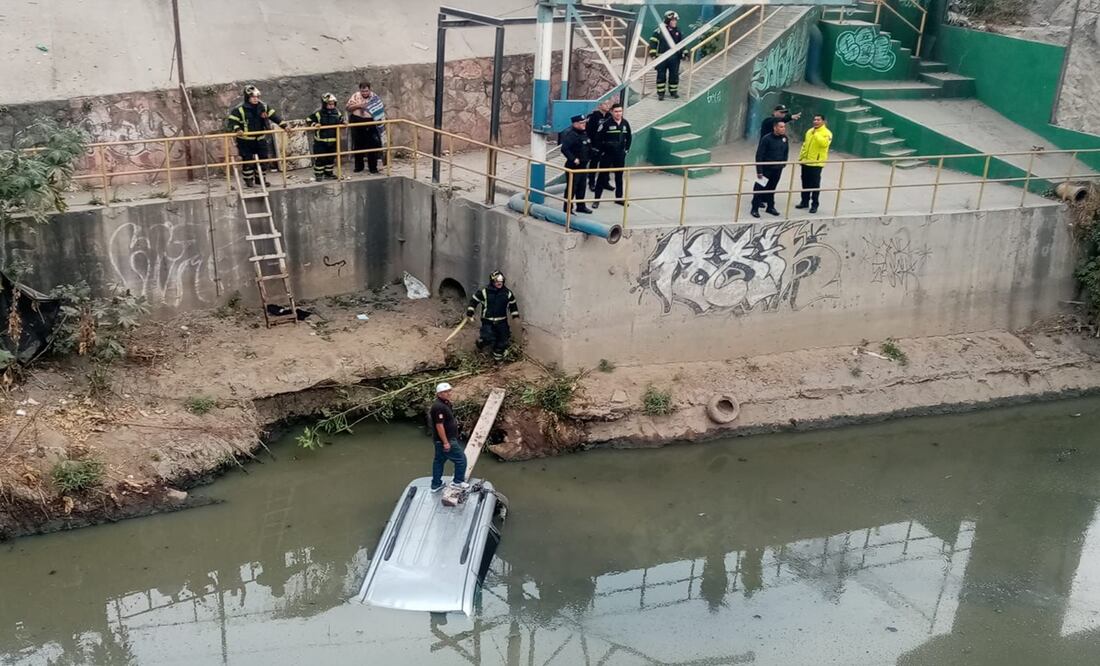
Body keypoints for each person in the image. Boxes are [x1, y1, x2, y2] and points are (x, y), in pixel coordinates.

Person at [226, 85, 287, 187]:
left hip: (260, 139)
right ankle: (248, 180)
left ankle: (260, 179)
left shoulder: (263, 106)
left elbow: (274, 116)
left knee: (263, 160)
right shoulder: (239, 109)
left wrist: (284, 126)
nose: (256, 99)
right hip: (245, 141)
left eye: (257, 97)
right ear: (247, 97)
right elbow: (232, 122)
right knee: (248, 161)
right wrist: (237, 129)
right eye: (253, 97)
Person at [466, 270, 520, 363]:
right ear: (492, 281)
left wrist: (515, 317)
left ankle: (497, 360)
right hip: (488, 321)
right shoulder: (484, 292)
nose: (499, 283)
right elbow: (474, 300)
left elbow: (513, 305)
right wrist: (470, 312)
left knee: (503, 340)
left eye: (501, 281)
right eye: (497, 282)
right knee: (488, 337)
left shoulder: (507, 293)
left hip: (502, 322)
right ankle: (481, 343)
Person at [429, 382, 467, 492]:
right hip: (446, 440)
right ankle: (457, 482)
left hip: (441, 440)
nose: (448, 393)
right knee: (461, 460)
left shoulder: (446, 403)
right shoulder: (438, 407)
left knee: (439, 461)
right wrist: (446, 442)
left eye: (449, 391)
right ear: (439, 394)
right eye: (445, 392)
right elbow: (439, 425)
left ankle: (436, 484)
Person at [593, 103, 632, 208]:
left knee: (619, 177)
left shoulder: (625, 123)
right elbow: (598, 138)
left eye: (620, 111)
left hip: (619, 155)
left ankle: (619, 198)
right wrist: (601, 151)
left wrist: (626, 150)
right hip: (607, 155)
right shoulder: (606, 124)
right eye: (616, 111)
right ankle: (596, 200)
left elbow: (629, 137)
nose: (618, 113)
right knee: (602, 177)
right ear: (611, 112)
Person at [751, 120, 789, 218]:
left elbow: (786, 152)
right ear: (775, 128)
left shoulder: (784, 138)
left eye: (784, 127)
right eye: (781, 127)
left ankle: (770, 207)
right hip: (766, 169)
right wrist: (759, 171)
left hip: (777, 169)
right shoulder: (766, 139)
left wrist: (783, 163)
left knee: (772, 188)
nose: (783, 129)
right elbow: (759, 155)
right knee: (759, 188)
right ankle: (754, 208)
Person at [796, 114, 833, 214]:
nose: (815, 121)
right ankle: (804, 201)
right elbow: (805, 145)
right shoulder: (809, 131)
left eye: (818, 120)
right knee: (805, 183)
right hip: (806, 161)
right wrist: (801, 157)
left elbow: (824, 144)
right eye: (814, 119)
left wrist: (816, 134)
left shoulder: (827, 133)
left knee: (815, 185)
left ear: (824, 121)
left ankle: (814, 205)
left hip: (816, 163)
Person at [346, 81, 385, 174]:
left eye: (366, 91)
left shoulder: (374, 97)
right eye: (363, 91)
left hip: (370, 122)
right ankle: (359, 166)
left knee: (372, 145)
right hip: (357, 121)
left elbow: (379, 110)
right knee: (358, 144)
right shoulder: (355, 96)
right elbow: (348, 108)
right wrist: (359, 106)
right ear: (360, 90)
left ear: (369, 90)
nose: (365, 93)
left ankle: (373, 167)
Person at [560, 114, 594, 214]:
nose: (584, 125)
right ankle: (567, 208)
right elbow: (564, 149)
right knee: (572, 188)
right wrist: (573, 159)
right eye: (581, 123)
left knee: (582, 186)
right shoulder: (571, 134)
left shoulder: (584, 133)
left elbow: (587, 146)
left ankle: (581, 206)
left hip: (583, 165)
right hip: (573, 167)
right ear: (575, 124)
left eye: (584, 123)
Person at [306, 93, 344, 181]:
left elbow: (341, 119)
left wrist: (343, 122)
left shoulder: (337, 112)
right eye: (329, 104)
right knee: (320, 159)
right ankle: (318, 175)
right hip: (320, 141)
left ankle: (328, 174)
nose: (331, 106)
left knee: (330, 158)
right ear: (324, 104)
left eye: (333, 104)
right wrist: (314, 124)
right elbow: (308, 119)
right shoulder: (318, 113)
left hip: (333, 140)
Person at [649, 10, 684, 100]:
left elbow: (682, 43)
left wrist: (685, 53)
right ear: (668, 21)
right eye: (673, 20)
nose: (675, 22)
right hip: (662, 57)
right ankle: (661, 94)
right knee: (661, 76)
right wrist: (653, 54)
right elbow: (653, 41)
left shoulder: (678, 31)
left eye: (675, 20)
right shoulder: (659, 31)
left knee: (674, 75)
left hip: (674, 58)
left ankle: (673, 92)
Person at [585, 100, 610, 190]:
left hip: (606, 145)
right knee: (594, 164)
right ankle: (592, 182)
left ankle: (605, 182)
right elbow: (589, 131)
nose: (608, 106)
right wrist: (591, 145)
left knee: (606, 164)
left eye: (608, 104)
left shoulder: (609, 116)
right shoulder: (593, 116)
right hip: (595, 145)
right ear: (600, 106)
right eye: (605, 104)